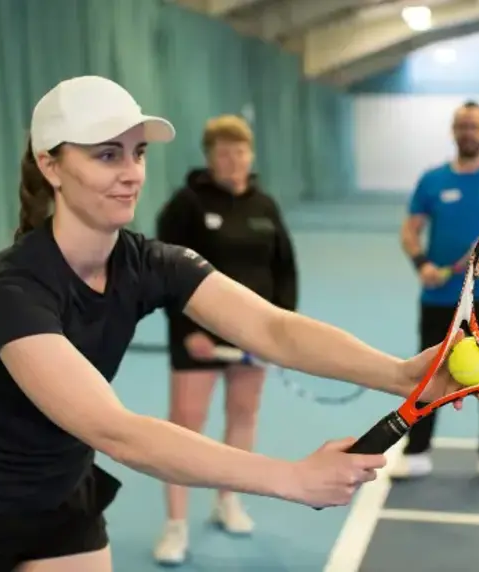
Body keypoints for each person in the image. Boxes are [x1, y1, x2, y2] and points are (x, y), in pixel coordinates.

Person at [0, 75, 479, 572]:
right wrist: (288, 477)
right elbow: (117, 431)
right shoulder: (13, 291)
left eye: (137, 153)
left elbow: (273, 330)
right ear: (50, 165)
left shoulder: (150, 262)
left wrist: (399, 374)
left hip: (62, 504)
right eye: (106, 154)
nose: (131, 172)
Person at [152, 115, 297, 565]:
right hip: (197, 340)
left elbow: (284, 271)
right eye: (223, 152)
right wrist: (189, 330)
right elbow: (162, 272)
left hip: (253, 338)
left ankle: (228, 500)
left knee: (243, 415)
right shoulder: (186, 204)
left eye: (240, 151)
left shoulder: (265, 206)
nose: (233, 159)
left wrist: (281, 330)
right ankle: (175, 525)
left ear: (251, 155)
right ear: (210, 157)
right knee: (184, 427)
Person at [393, 101, 479, 487]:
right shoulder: (432, 180)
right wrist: (421, 264)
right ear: (453, 131)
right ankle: (417, 453)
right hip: (438, 299)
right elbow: (410, 230)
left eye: (475, 126)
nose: (468, 131)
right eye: (462, 125)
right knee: (427, 375)